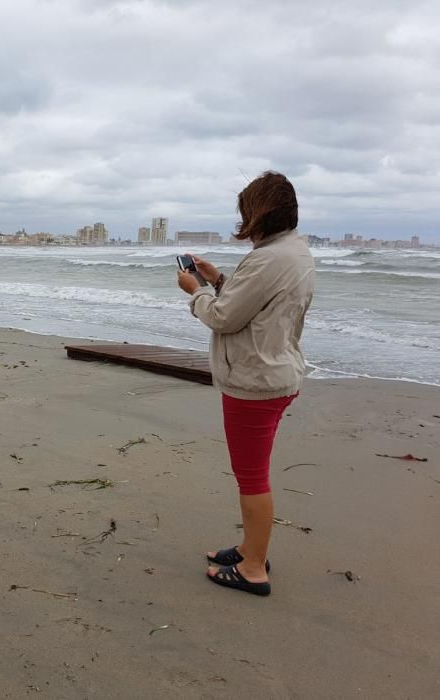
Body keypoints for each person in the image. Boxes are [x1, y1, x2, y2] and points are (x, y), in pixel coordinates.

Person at [177, 171, 315, 596]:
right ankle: (249, 548)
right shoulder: (293, 251)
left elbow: (224, 317)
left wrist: (195, 291)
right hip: (277, 371)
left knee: (252, 477)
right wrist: (218, 280)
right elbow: (253, 303)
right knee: (252, 473)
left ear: (259, 213)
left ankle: (254, 567)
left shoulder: (268, 258)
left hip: (256, 381)